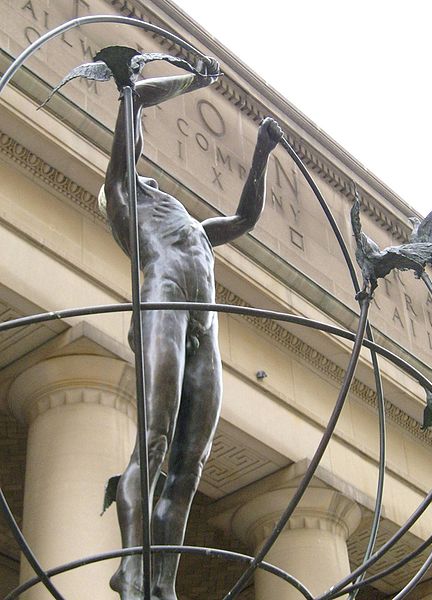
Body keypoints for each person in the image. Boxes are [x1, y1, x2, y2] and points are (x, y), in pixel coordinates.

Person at [103, 56, 283, 600]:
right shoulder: (125, 198)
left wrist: (262, 153)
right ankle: (132, 574)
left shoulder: (197, 229)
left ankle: (162, 585)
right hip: (166, 305)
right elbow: (132, 104)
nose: (148, 169)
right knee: (154, 441)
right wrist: (194, 80)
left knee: (190, 465)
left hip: (206, 331)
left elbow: (247, 218)